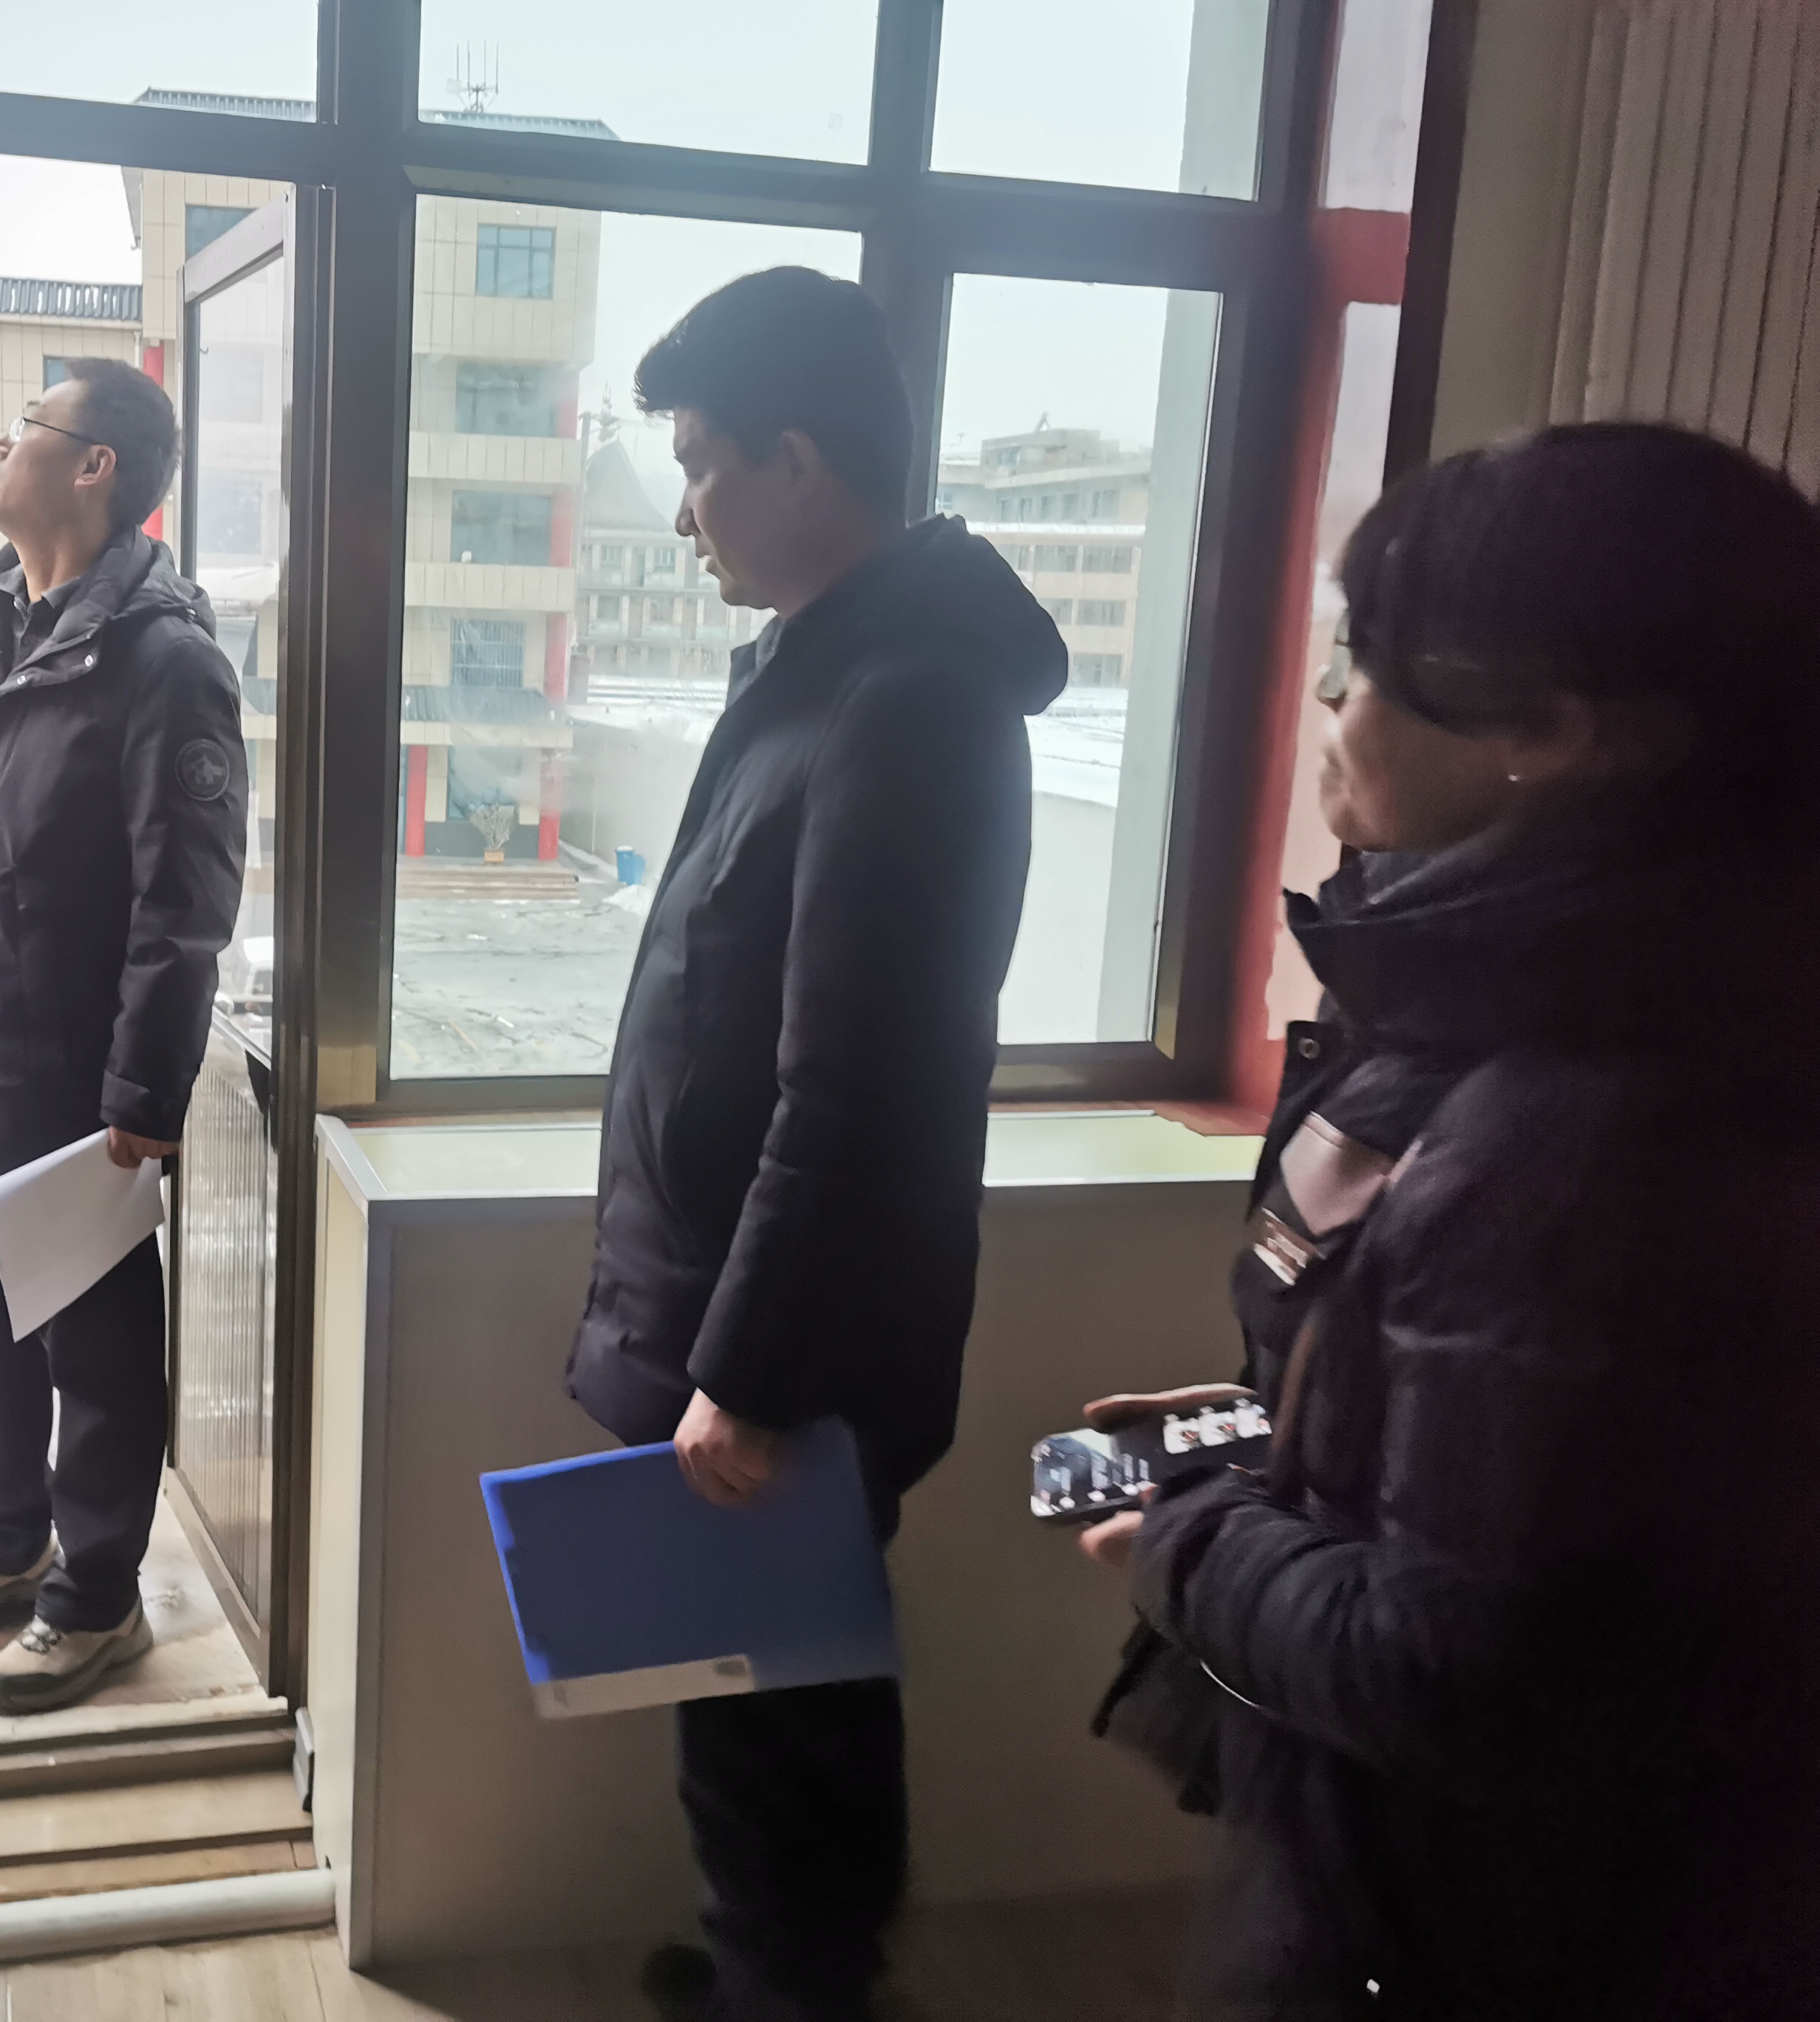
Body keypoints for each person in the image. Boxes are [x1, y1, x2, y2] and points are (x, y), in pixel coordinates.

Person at [1078, 423, 1820, 2019]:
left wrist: (1183, 1532)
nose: (1330, 706)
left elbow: (1455, 1664)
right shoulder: (1535, 1000)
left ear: (1548, 732)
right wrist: (1281, 1428)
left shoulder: (1592, 1122)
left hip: (1475, 1928)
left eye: (1364, 664)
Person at [565, 268, 1068, 2022]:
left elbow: (867, 1083)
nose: (685, 510)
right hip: (739, 1327)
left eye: (702, 465)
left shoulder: (906, 702)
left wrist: (752, 1377)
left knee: (781, 1736)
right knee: (760, 1706)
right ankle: (771, 1979)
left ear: (797, 460)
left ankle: (793, 1992)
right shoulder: (823, 670)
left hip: (780, 1357)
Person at [0, 358, 248, 1715]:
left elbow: (185, 902)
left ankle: (97, 1600)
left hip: (78, 1085)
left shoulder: (164, 660)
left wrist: (142, 1093)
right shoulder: (8, 630)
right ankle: (4, 1541)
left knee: (95, 1357)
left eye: (24, 427)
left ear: (95, 467)